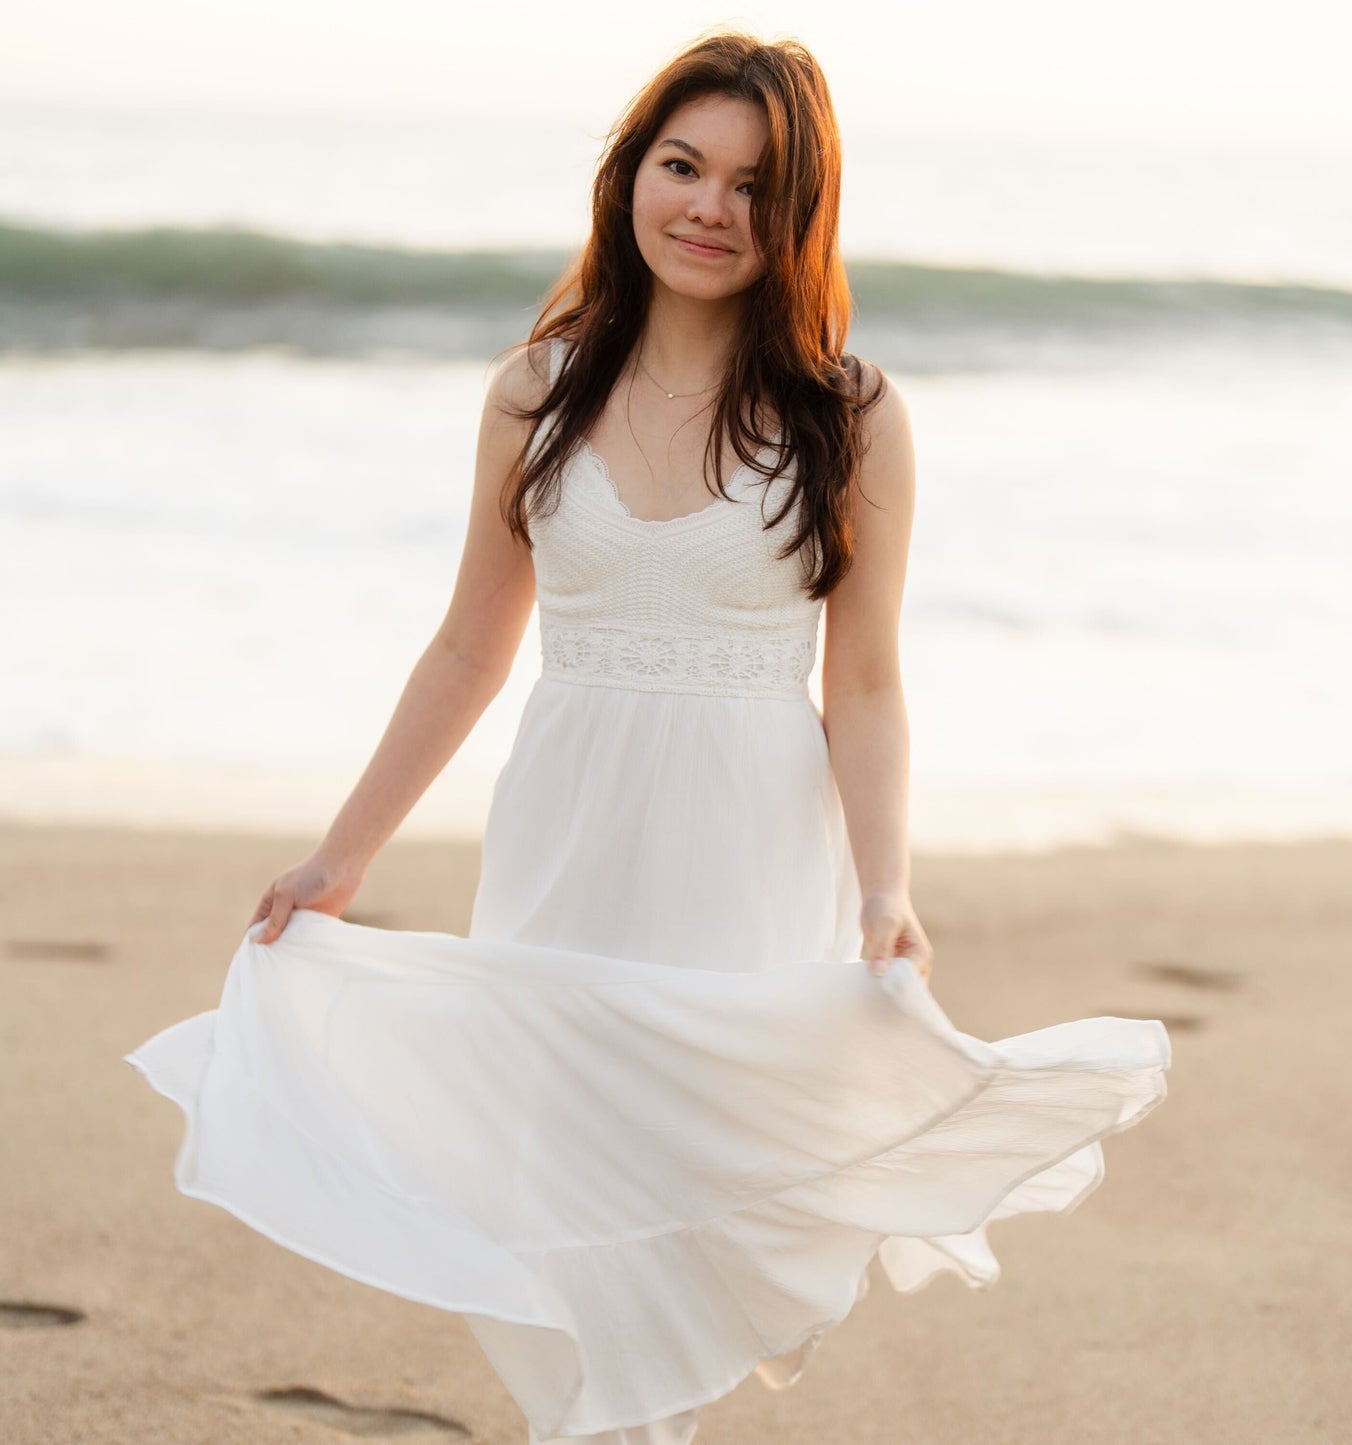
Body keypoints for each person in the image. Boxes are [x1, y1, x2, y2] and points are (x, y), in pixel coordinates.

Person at [124, 29, 1171, 1445]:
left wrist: (885, 887)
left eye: (754, 186)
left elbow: (865, 682)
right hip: (569, 831)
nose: (709, 208)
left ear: (798, 215)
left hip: (748, 846)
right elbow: (467, 647)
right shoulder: (535, 391)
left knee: (697, 1190)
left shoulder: (850, 413)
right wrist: (340, 856)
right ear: (630, 176)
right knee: (561, 1185)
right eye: (683, 166)